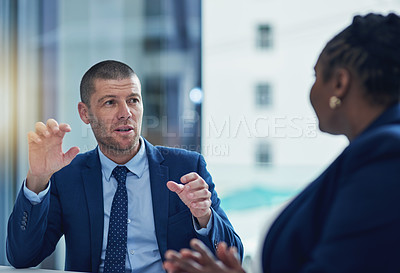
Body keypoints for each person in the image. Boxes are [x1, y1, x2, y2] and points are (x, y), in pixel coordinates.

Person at [163, 12, 400, 273]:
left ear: (340, 83)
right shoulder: (376, 150)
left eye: (316, 76)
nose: (312, 90)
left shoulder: (386, 155)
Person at [6, 60, 243, 273]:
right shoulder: (66, 175)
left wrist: (204, 217)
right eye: (110, 102)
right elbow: (22, 257)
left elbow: (234, 258)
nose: (126, 113)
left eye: (133, 100)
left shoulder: (186, 167)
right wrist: (37, 178)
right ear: (85, 113)